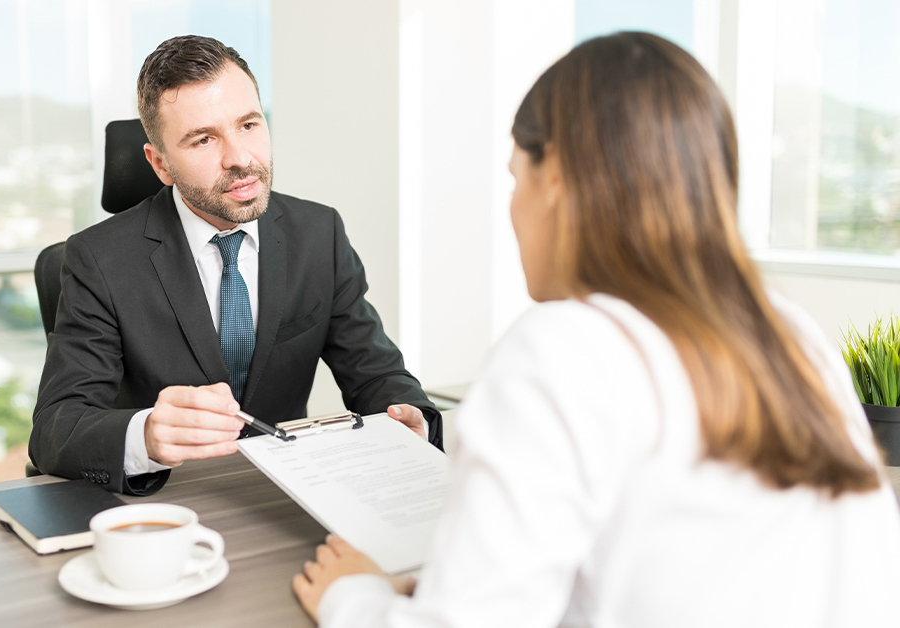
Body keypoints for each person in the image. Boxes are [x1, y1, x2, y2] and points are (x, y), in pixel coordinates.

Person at [292, 32, 900, 627]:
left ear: (553, 174)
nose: (512, 206)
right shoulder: (790, 333)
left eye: (514, 176)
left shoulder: (563, 349)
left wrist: (353, 599)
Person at [31, 35, 442, 495]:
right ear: (160, 164)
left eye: (248, 125)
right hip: (169, 506)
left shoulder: (318, 233)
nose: (241, 159)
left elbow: (379, 375)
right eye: (204, 139)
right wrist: (146, 435)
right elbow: (55, 429)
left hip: (289, 495)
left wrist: (409, 418)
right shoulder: (98, 259)